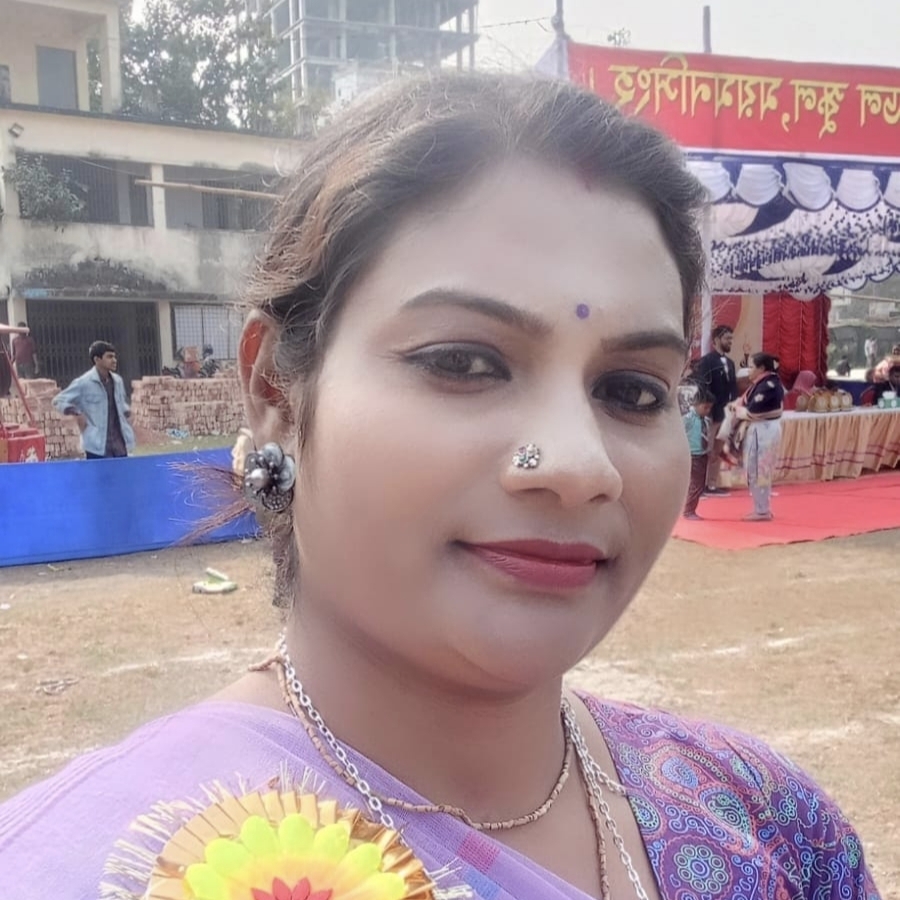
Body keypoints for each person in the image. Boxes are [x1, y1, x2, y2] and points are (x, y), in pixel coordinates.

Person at [0, 75, 879, 900]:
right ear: (275, 392)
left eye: (632, 390)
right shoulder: (85, 867)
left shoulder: (768, 826)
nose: (580, 465)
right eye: (463, 362)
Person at [51, 340, 135, 459]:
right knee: (99, 472)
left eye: (114, 357)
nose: (114, 360)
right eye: (109, 357)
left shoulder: (118, 381)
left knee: (122, 471)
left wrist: (128, 413)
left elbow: (121, 404)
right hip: (97, 446)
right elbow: (58, 401)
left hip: (119, 444)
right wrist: (77, 412)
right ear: (97, 359)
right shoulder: (84, 383)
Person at [732, 353, 785, 522]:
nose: (749, 370)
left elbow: (752, 410)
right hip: (761, 429)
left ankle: (762, 510)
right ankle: (761, 508)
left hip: (763, 431)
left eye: (751, 366)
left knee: (759, 469)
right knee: (757, 469)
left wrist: (736, 410)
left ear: (761, 368)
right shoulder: (767, 383)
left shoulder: (768, 385)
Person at [694, 325, 738, 495]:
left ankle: (711, 484)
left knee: (717, 451)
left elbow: (733, 389)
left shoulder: (731, 363)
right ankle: (699, 486)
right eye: (727, 338)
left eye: (731, 338)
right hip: (711, 414)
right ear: (717, 340)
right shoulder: (707, 361)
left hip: (726, 415)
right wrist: (709, 408)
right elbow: (702, 385)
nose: (730, 341)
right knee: (706, 450)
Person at [682, 388, 713, 520]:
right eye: (705, 407)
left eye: (709, 408)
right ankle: (689, 510)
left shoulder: (706, 420)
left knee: (699, 484)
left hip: (702, 454)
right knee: (695, 484)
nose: (707, 410)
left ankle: (689, 509)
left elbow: (707, 436)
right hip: (692, 454)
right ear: (696, 404)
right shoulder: (687, 419)